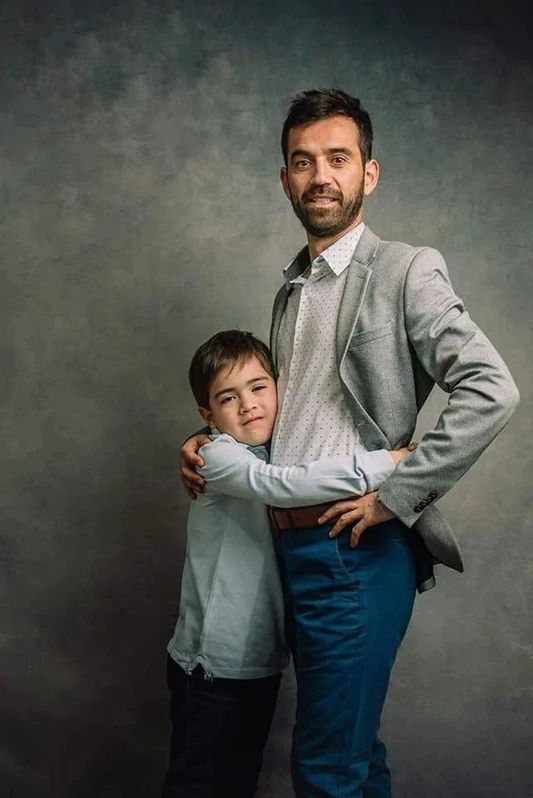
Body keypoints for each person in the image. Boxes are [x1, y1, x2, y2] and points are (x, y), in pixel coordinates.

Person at [181, 90, 519, 798]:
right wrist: (209, 440)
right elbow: (287, 415)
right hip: (292, 556)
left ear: (369, 173)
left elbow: (492, 388)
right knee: (353, 758)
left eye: (337, 158)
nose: (319, 177)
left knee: (328, 770)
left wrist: (397, 493)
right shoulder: (291, 289)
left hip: (354, 553)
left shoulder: (403, 270)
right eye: (302, 162)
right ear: (284, 181)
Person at [164, 328, 413, 798]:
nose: (248, 405)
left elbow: (296, 468)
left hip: (257, 664)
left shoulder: (272, 448)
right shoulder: (219, 455)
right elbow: (283, 485)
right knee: (199, 785)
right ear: (208, 416)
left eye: (259, 388)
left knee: (237, 782)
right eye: (228, 398)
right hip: (210, 666)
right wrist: (389, 463)